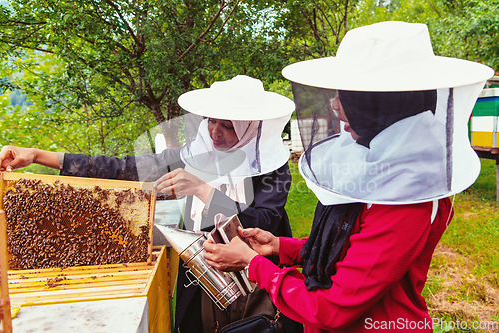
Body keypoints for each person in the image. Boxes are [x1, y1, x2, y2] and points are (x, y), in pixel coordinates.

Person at [203, 21, 495, 332]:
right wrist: (279, 247)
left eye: (348, 96)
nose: (335, 105)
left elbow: (331, 308)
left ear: (383, 104)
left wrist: (253, 263)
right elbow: (352, 246)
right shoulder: (379, 161)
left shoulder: (409, 196)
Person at [0, 75, 303, 333]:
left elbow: (263, 224)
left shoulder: (272, 168)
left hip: (256, 283)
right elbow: (121, 169)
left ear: (252, 126)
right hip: (200, 283)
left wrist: (201, 189)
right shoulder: (193, 155)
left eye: (228, 125)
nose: (215, 131)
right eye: (211, 121)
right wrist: (39, 156)